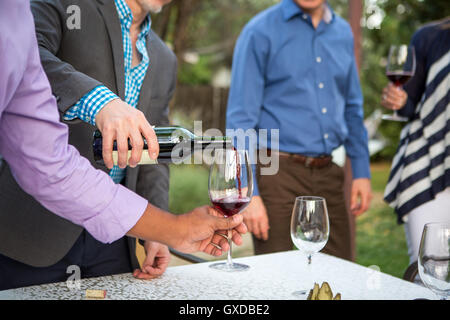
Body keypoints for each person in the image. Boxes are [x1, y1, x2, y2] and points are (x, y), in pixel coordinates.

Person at [0, 0, 247, 290]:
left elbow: (156, 157)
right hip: (36, 230)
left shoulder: (164, 58)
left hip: (117, 236)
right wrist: (98, 99)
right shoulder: (65, 6)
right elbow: (27, 54)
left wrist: (158, 230)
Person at [226, 0, 372, 260]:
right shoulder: (259, 31)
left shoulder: (342, 33)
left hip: (329, 174)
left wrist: (361, 170)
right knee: (274, 277)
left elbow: (352, 106)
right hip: (277, 175)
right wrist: (249, 193)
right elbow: (240, 121)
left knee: (339, 273)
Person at [382, 17, 450, 265]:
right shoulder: (430, 37)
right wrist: (398, 102)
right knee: (430, 270)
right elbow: (410, 104)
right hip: (430, 168)